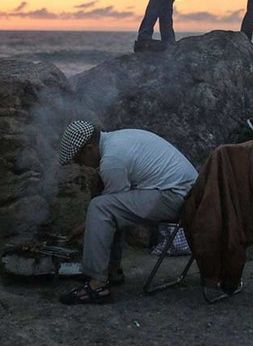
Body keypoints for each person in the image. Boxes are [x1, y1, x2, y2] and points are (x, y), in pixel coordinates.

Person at [56, 120, 198, 305]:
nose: (82, 165)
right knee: (109, 206)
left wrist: (83, 228)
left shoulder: (112, 161)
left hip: (177, 197)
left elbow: (107, 210)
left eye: (78, 159)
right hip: (183, 192)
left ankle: (97, 285)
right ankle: (111, 271)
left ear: (89, 149)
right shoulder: (116, 139)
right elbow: (119, 205)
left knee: (100, 208)